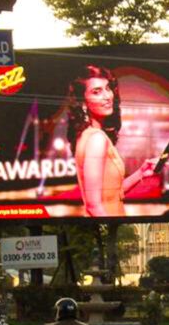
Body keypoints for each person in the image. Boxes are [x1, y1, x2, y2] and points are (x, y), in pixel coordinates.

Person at [65, 65, 158, 217]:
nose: (107, 96)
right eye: (97, 92)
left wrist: (141, 172)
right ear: (83, 102)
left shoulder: (88, 135)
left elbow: (113, 193)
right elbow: (93, 206)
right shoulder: (96, 139)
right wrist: (112, 231)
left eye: (107, 88)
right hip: (109, 228)